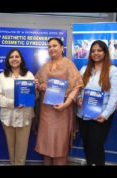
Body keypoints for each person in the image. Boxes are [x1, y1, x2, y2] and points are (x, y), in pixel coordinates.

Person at [34, 37, 83, 165]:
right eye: (49, 46)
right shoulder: (45, 66)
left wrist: (66, 103)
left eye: (54, 45)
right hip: (46, 113)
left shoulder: (68, 64)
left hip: (62, 111)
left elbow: (77, 85)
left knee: (60, 147)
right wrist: (38, 85)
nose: (51, 48)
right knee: (47, 145)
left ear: (62, 48)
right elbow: (37, 82)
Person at [76, 40, 117, 166]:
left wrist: (106, 114)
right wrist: (78, 99)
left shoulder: (113, 71)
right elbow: (78, 89)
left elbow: (115, 97)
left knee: (96, 146)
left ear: (105, 52)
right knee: (86, 145)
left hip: (100, 117)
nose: (96, 53)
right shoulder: (84, 69)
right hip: (83, 115)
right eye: (93, 51)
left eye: (99, 50)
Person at [0, 48, 36, 165]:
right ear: (8, 60)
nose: (14, 59)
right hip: (8, 117)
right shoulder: (2, 77)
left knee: (22, 147)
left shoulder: (29, 75)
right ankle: (13, 163)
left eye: (17, 56)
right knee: (10, 145)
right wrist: (14, 102)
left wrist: (35, 89)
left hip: (25, 116)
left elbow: (34, 97)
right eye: (11, 57)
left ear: (21, 59)